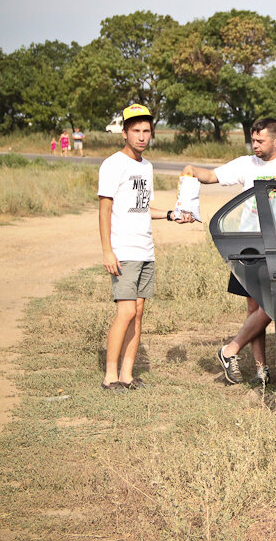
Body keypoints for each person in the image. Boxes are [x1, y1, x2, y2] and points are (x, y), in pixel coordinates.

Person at [181, 117, 276, 386]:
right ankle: (261, 369)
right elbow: (211, 176)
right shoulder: (246, 164)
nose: (255, 145)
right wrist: (191, 170)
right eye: (253, 140)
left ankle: (230, 349)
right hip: (250, 245)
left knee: (275, 302)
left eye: (260, 140)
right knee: (255, 308)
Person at [98, 104, 192, 391]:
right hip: (123, 251)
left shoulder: (147, 166)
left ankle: (127, 375)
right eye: (135, 130)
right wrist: (107, 250)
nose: (141, 136)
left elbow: (143, 207)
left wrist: (169, 214)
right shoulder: (113, 164)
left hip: (145, 250)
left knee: (138, 314)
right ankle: (110, 377)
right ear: (124, 132)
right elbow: (105, 209)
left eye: (146, 131)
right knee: (125, 313)